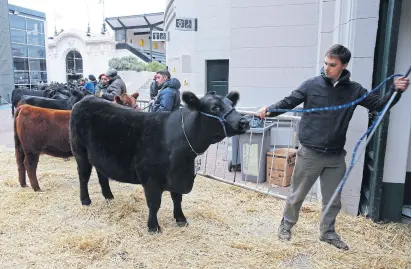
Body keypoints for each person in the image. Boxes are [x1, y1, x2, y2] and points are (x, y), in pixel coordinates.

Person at [256, 44, 409, 250]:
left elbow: (380, 104)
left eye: (332, 64)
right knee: (297, 196)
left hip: (336, 157)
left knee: (333, 200)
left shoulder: (354, 90)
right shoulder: (311, 85)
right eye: (326, 63)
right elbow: (289, 101)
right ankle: (286, 225)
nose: (326, 68)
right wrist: (268, 110)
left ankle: (327, 232)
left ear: (344, 65)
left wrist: (395, 91)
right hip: (310, 153)